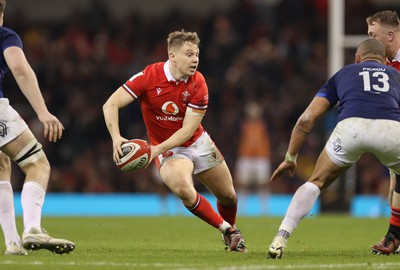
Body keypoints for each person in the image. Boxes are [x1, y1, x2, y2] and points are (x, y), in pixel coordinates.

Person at [103, 30, 247, 252]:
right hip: (170, 152)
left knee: (228, 196)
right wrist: (116, 138)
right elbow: (110, 104)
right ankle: (227, 230)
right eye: (189, 54)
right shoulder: (149, 77)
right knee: (183, 189)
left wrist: (154, 149)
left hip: (197, 142)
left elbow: (188, 130)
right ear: (172, 55)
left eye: (197, 54)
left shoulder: (199, 82)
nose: (195, 59)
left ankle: (231, 231)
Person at [267, 38, 400, 259]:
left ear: (357, 58)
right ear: (385, 61)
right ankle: (395, 235)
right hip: (391, 129)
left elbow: (306, 119)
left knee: (317, 181)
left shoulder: (344, 73)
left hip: (351, 127)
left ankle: (281, 237)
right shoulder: (396, 76)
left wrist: (290, 157)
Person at [0, 0, 74, 255]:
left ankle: (12, 243)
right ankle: (32, 228)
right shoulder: (4, 35)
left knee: (2, 166)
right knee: (37, 163)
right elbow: (20, 68)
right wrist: (43, 113)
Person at [366, 10, 400, 255]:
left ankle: (393, 237)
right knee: (393, 193)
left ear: (390, 35)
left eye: (372, 34)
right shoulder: (384, 67)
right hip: (394, 133)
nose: (369, 40)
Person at [235, 101, 271, 214]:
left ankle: (264, 209)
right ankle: (241, 209)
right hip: (245, 157)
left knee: (263, 184)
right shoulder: (243, 126)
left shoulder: (264, 126)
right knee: (242, 184)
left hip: (261, 157)